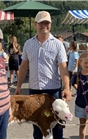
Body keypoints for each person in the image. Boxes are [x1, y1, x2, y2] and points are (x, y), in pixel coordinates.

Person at [15, 11, 71, 139]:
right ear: (35, 24)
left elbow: (63, 68)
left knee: (57, 125)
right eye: (41, 23)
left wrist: (67, 88)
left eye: (47, 23)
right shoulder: (28, 44)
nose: (44, 26)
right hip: (34, 90)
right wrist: (18, 86)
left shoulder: (58, 44)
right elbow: (23, 66)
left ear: (50, 24)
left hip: (53, 90)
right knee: (37, 125)